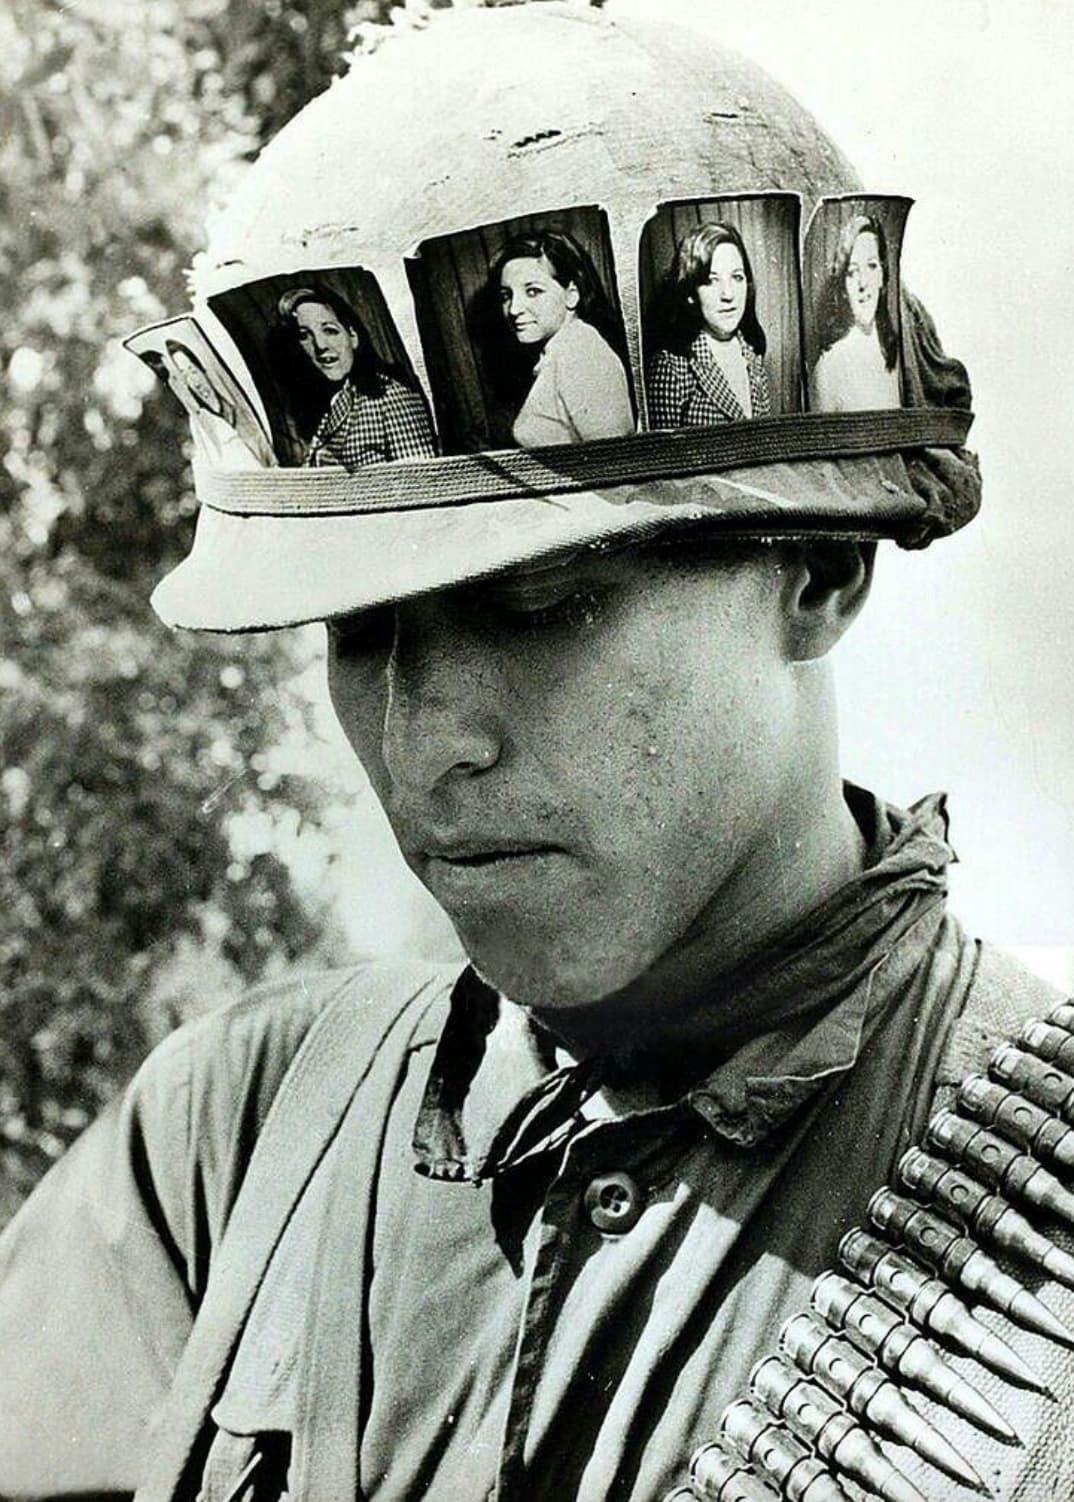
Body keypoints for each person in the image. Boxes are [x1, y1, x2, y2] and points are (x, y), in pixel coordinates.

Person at [0, 8, 1070, 1502]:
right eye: (359, 633)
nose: (427, 743)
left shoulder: (1037, 1224)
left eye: (545, 603)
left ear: (819, 570)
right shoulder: (233, 1129)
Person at [489, 229, 635, 447]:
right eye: (506, 296)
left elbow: (617, 462)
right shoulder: (564, 349)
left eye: (533, 291)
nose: (514, 309)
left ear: (571, 294)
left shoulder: (583, 356)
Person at [276, 285, 437, 469]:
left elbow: (420, 484)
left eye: (330, 330)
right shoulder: (328, 401)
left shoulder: (390, 396)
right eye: (305, 335)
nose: (320, 345)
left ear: (353, 337)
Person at [647, 222, 772, 428]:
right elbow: (663, 459)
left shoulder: (753, 354)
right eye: (712, 281)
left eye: (737, 277)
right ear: (690, 294)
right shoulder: (671, 368)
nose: (728, 294)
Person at [810, 213, 902, 413]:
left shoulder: (894, 351)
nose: (863, 283)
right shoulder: (829, 367)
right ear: (843, 287)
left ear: (882, 276)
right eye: (852, 272)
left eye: (871, 266)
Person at [163, 338, 275, 470]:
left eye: (193, 370)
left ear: (202, 369)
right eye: (185, 376)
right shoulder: (200, 426)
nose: (195, 382)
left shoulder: (235, 406)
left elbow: (268, 454)